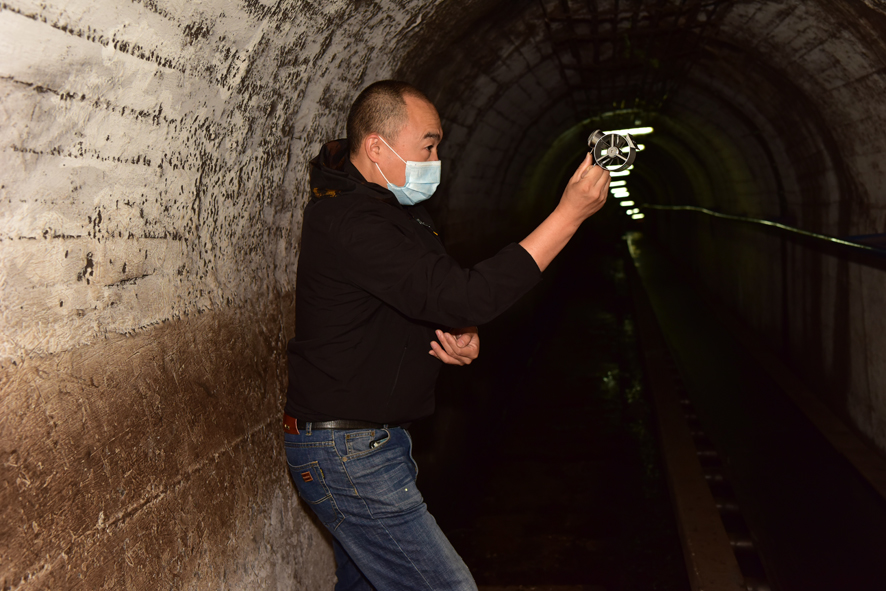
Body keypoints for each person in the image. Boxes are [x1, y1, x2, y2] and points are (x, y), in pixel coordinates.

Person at [283, 80, 609, 590]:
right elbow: (465, 294)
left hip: (369, 443)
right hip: (347, 452)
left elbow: (431, 297)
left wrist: (458, 330)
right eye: (429, 146)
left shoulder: (399, 213)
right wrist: (568, 216)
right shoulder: (349, 221)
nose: (437, 160)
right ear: (377, 147)